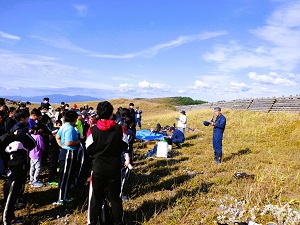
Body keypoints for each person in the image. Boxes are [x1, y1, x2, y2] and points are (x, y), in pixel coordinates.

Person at [86, 101, 129, 225]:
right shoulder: (120, 128)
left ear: (98, 113)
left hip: (98, 167)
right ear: (111, 114)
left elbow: (89, 149)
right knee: (115, 198)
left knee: (95, 198)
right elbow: (125, 145)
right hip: (114, 167)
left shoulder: (92, 129)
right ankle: (118, 222)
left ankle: (93, 222)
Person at [53, 110, 81, 205]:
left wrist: (61, 146)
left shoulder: (64, 126)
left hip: (64, 151)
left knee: (64, 175)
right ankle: (62, 198)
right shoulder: (70, 129)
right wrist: (79, 141)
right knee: (66, 175)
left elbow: (57, 137)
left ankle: (64, 195)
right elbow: (69, 142)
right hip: (69, 152)